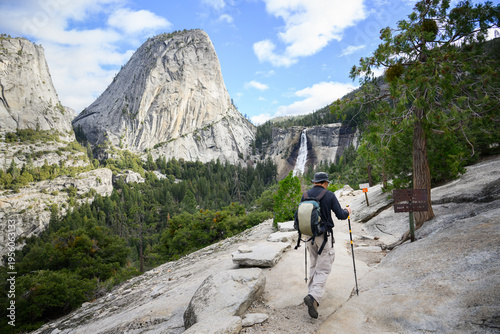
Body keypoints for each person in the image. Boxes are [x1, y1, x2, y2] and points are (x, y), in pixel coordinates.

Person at [302, 172, 351, 319]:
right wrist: (347, 211)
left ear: (315, 182)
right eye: (327, 183)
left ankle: (312, 295)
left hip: (308, 235)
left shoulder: (305, 195)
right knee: (324, 268)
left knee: (314, 265)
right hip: (323, 236)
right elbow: (341, 215)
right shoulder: (329, 195)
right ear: (324, 182)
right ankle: (314, 297)